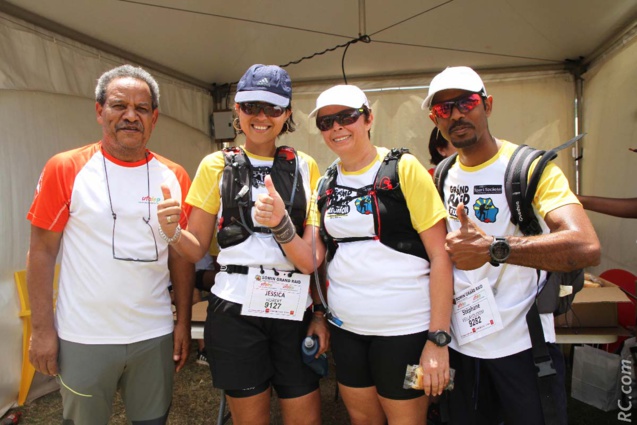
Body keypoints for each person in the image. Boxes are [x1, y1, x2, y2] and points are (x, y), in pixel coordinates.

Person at [257, 84, 453, 425]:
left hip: (405, 332)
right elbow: (311, 260)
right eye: (326, 121)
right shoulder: (326, 182)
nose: (337, 128)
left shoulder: (404, 168)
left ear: (368, 119)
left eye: (347, 117)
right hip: (347, 331)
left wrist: (437, 339)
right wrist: (280, 224)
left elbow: (441, 255)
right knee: (363, 420)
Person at [423, 66, 601, 425]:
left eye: (466, 102)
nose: (456, 114)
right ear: (434, 118)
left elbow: (586, 245)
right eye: (444, 109)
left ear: (487, 104)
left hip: (524, 345)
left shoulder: (530, 168)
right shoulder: (441, 175)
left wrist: (496, 248)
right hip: (462, 345)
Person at [156, 64, 326, 425]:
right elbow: (195, 249)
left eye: (273, 109)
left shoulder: (305, 166)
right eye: (251, 107)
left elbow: (312, 259)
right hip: (235, 305)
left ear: (288, 114)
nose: (261, 117)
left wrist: (281, 225)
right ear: (237, 109)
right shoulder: (216, 164)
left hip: (292, 305)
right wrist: (171, 231)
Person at [25, 64, 194, 424]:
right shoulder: (66, 168)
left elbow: (181, 257)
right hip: (84, 336)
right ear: (100, 111)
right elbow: (41, 252)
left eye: (142, 108)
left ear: (155, 117)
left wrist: (183, 323)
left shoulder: (174, 175)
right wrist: (41, 330)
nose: (130, 116)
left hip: (154, 333)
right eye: (119, 105)